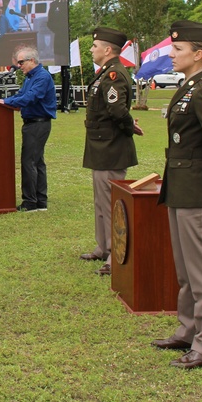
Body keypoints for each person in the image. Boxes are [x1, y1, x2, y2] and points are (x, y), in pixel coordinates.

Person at [151, 21, 202, 369]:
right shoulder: (188, 87)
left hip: (198, 190)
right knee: (185, 271)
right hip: (181, 187)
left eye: (178, 50)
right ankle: (188, 330)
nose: (171, 54)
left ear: (198, 55)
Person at [81, 27, 144, 275]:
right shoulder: (106, 73)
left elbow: (117, 110)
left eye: (95, 46)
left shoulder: (114, 75)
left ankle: (114, 256)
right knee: (101, 201)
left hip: (110, 147)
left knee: (111, 203)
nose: (91, 49)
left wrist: (130, 127)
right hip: (100, 146)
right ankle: (103, 246)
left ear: (108, 50)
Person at [3, 46, 57, 211]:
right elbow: (21, 95)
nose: (19, 66)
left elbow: (31, 97)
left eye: (21, 62)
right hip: (32, 123)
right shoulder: (30, 76)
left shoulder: (42, 77)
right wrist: (3, 101)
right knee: (37, 162)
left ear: (32, 60)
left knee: (29, 162)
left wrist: (5, 103)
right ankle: (40, 201)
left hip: (38, 123)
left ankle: (30, 202)